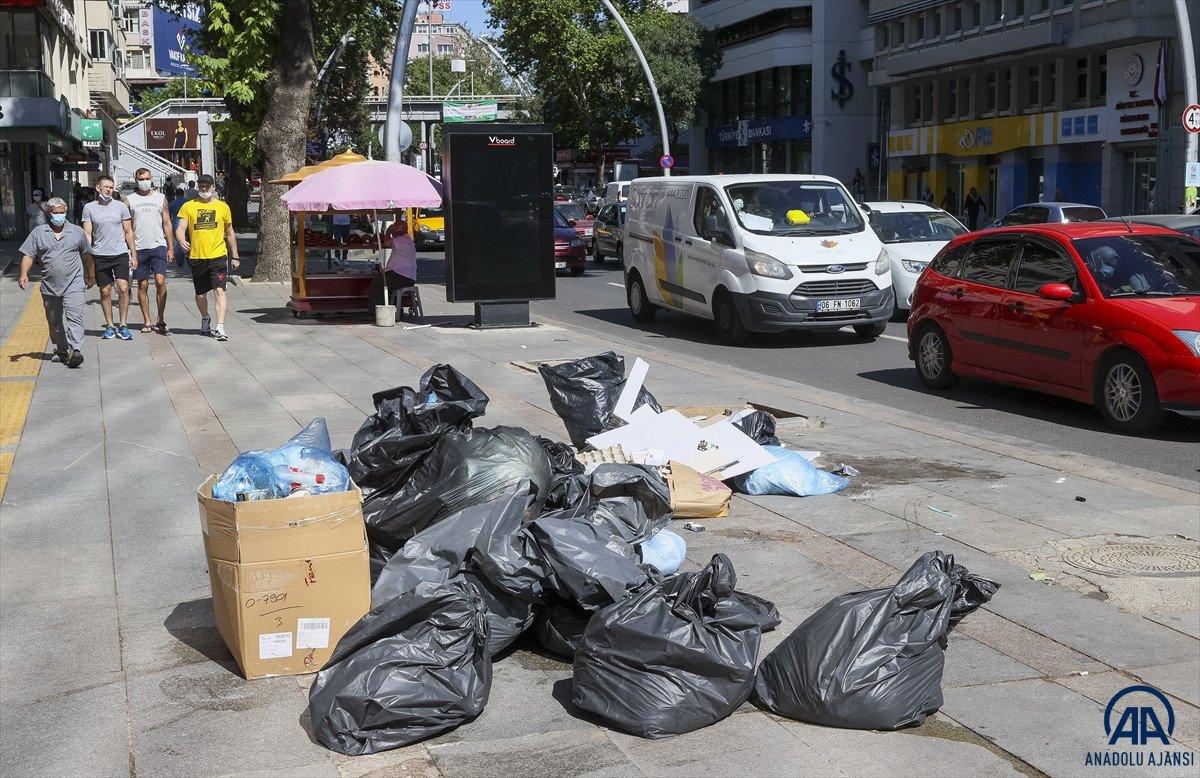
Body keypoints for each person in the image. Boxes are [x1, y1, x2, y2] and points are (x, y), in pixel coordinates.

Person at [17, 197, 95, 368]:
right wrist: (24, 274)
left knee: (75, 316)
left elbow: (87, 256)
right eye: (56, 213)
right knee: (54, 320)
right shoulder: (38, 232)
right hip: (49, 285)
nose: (60, 216)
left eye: (62, 212)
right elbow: (28, 255)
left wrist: (91, 276)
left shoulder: (76, 231)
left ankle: (76, 351)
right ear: (48, 213)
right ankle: (61, 350)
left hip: (74, 283)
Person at [175, 173, 239, 341]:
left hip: (218, 255)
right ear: (198, 186)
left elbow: (230, 232)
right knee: (201, 294)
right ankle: (205, 318)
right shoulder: (188, 206)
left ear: (213, 187)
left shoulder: (222, 207)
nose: (204, 188)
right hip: (197, 256)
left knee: (220, 290)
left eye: (207, 185)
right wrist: (181, 240)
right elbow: (180, 227)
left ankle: (220, 326)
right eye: (201, 185)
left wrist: (235, 256)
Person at [82, 174, 138, 340]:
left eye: (111, 187)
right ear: (98, 188)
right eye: (105, 187)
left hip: (120, 253)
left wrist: (133, 254)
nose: (108, 190)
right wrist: (88, 253)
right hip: (100, 255)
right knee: (105, 291)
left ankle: (123, 324)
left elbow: (128, 232)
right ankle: (110, 326)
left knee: (123, 288)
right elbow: (87, 233)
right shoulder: (89, 208)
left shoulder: (120, 206)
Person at [128, 168, 176, 334]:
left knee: (160, 281)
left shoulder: (160, 198)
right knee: (142, 284)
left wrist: (171, 247)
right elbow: (126, 227)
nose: (145, 181)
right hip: (139, 247)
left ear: (152, 178)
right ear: (136, 179)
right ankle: (147, 320)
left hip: (158, 245)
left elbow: (167, 223)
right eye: (141, 178)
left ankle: (160, 318)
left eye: (147, 178)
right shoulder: (129, 200)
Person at [374, 213, 417, 314]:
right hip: (402, 275)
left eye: (395, 227)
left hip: (402, 276)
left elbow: (387, 243)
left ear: (399, 229)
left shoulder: (403, 239)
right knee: (383, 280)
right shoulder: (406, 239)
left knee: (378, 283)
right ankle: (391, 306)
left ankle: (376, 312)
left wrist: (388, 231)